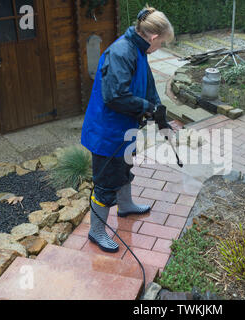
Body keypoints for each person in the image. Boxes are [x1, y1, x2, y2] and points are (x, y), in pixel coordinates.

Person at [81, 5, 174, 253]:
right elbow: (115, 97)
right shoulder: (121, 52)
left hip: (124, 129)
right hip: (107, 132)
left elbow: (148, 85)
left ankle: (126, 206)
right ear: (153, 37)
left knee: (124, 167)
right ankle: (96, 231)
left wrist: (160, 113)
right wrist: (147, 108)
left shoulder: (139, 49)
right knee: (105, 183)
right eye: (162, 43)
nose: (160, 48)